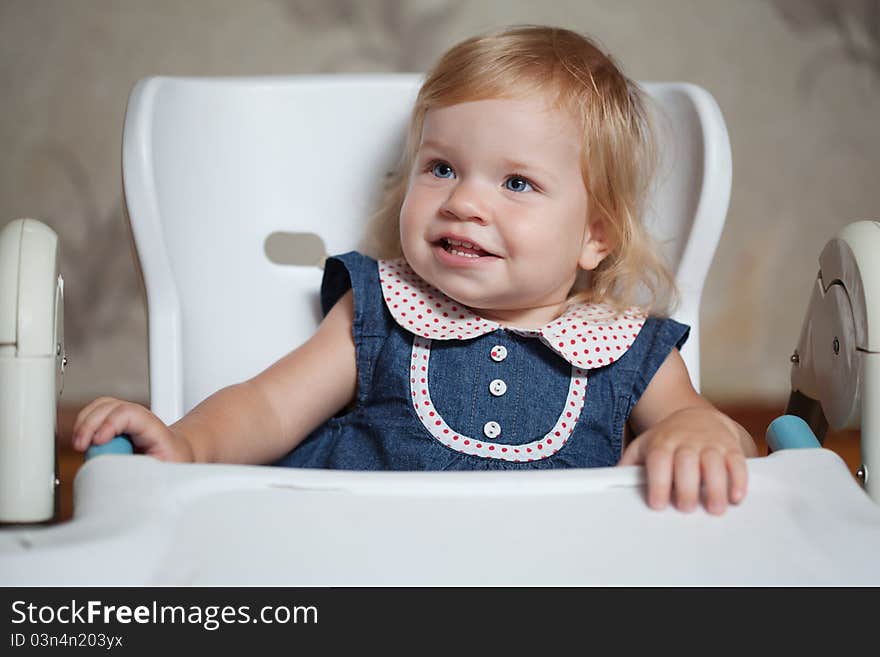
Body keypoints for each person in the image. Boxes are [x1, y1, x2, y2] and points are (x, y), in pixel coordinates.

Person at [72, 25, 757, 514]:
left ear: (594, 235)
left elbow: (708, 426)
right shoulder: (381, 308)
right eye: (442, 168)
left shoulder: (628, 345)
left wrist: (695, 432)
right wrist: (185, 443)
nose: (463, 202)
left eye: (516, 183)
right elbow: (269, 403)